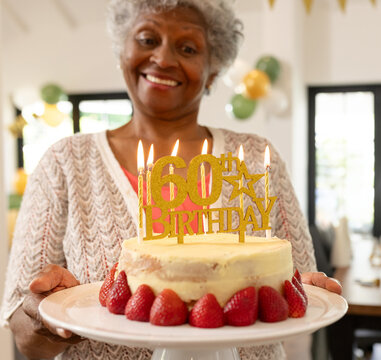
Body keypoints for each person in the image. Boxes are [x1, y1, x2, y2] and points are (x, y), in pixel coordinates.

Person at [0, 0, 342, 359]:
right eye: (147, 40)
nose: (162, 58)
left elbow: (301, 285)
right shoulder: (64, 162)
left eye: (188, 48)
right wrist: (48, 317)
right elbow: (24, 334)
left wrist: (308, 292)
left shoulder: (257, 158)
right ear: (122, 52)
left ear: (213, 70)